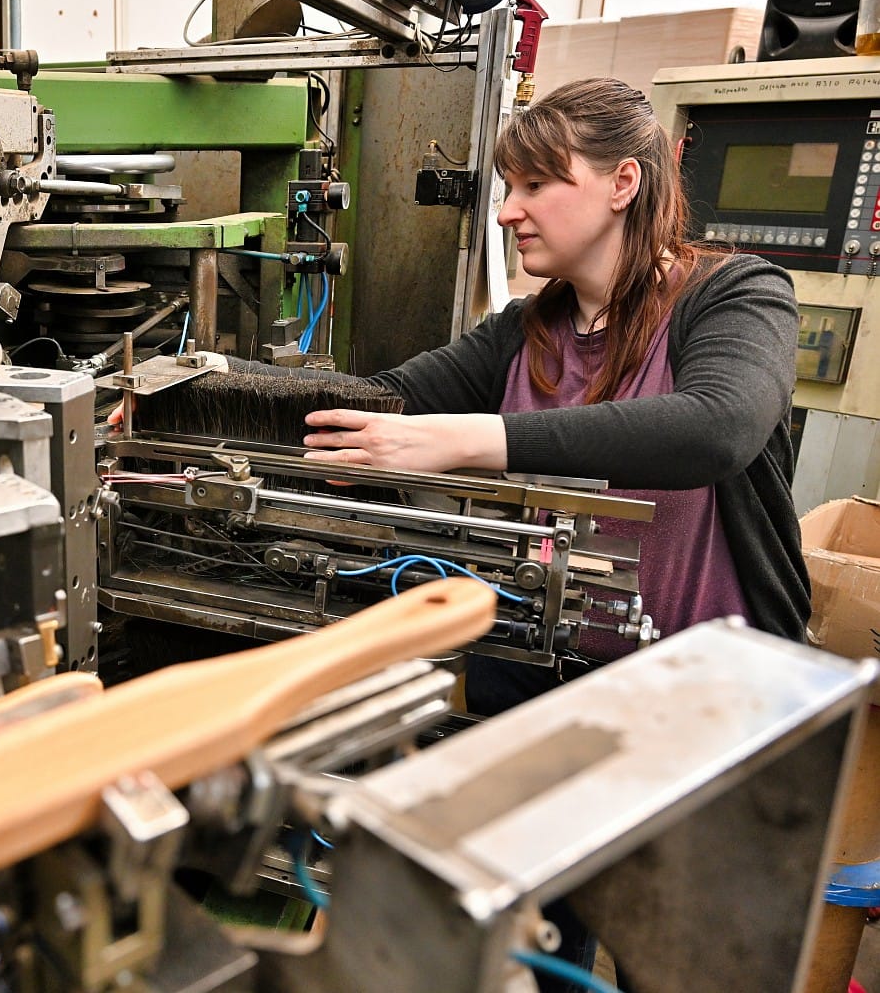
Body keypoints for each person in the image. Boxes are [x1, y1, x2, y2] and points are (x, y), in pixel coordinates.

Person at [137, 76, 811, 991]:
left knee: (685, 961)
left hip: (706, 706)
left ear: (623, 183)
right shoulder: (527, 332)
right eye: (506, 187)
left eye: (536, 185)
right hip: (552, 679)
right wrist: (171, 410)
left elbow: (717, 427)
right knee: (540, 938)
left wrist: (474, 440)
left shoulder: (735, 297)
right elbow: (366, 409)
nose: (507, 213)